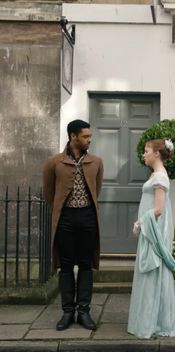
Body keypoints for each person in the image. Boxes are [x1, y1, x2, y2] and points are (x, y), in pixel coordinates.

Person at [43, 119, 104, 331]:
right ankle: (67, 312)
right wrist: (63, 210)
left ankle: (84, 312)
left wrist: (84, 208)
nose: (89, 140)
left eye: (90, 136)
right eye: (86, 137)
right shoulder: (54, 162)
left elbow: (97, 190)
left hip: (88, 218)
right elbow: (49, 194)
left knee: (86, 265)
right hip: (65, 219)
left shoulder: (96, 162)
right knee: (66, 266)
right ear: (73, 136)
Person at [128, 138, 175, 338]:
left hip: (153, 231)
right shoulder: (156, 175)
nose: (144, 154)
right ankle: (148, 320)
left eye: (147, 150)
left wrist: (141, 222)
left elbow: (158, 210)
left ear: (157, 153)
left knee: (152, 271)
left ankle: (152, 323)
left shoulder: (159, 177)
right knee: (149, 271)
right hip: (151, 230)